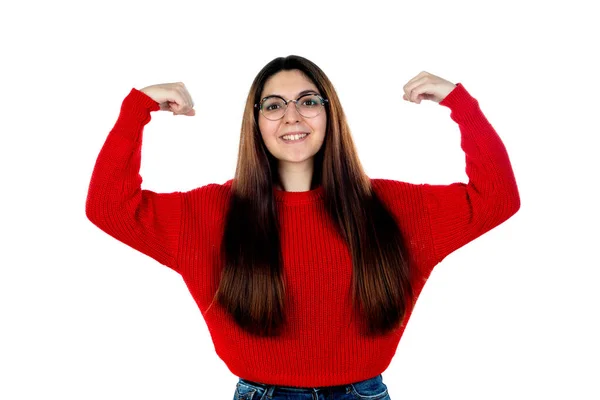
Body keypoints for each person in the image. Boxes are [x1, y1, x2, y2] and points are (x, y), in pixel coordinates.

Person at [86, 55, 520, 399]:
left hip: (363, 393)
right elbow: (109, 207)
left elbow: (496, 197)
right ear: (256, 123)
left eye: (309, 101)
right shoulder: (208, 214)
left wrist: (460, 103)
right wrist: (137, 108)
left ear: (330, 115)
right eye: (274, 106)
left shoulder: (395, 208)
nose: (292, 116)